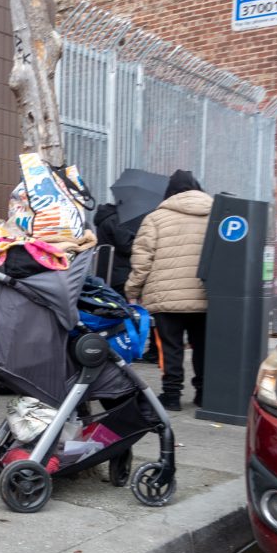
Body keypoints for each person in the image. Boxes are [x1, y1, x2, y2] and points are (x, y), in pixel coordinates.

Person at [125, 170, 212, 412]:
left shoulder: (155, 218)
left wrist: (132, 289)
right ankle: (203, 394)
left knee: (170, 347)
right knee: (202, 346)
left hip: (165, 296)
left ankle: (172, 396)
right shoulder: (215, 214)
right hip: (205, 294)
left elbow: (142, 261)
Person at [94, 202, 159, 364]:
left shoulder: (106, 218)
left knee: (118, 312)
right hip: (121, 274)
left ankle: (118, 347)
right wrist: (140, 239)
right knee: (128, 313)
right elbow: (126, 245)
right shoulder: (114, 220)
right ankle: (125, 348)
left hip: (110, 272)